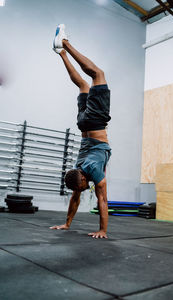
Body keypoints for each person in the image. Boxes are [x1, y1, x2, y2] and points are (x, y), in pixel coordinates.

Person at [50, 24, 111, 239]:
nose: (85, 189)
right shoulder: (77, 172)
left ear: (83, 179)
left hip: (95, 123)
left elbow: (102, 199)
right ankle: (62, 53)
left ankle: (64, 43)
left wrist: (103, 230)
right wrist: (66, 224)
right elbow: (75, 198)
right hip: (83, 125)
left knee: (98, 74)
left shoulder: (92, 172)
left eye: (84, 187)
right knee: (83, 86)